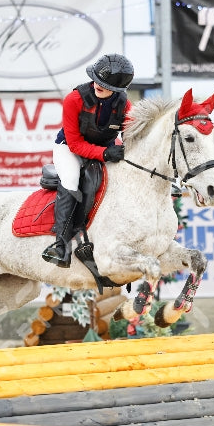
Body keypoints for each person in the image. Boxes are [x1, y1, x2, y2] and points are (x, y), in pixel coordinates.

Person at [41, 53, 135, 268]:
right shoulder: (74, 99)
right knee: (72, 178)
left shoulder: (125, 106)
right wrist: (104, 154)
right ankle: (61, 245)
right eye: (96, 79)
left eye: (104, 84)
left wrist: (122, 150)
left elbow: (130, 136)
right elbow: (74, 144)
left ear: (118, 89)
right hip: (69, 148)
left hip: (106, 148)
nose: (97, 85)